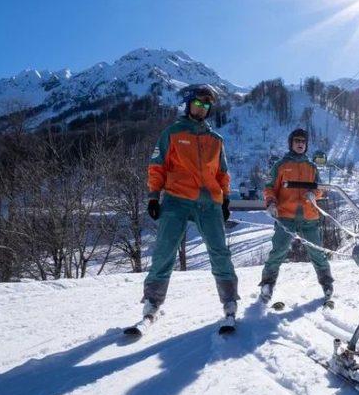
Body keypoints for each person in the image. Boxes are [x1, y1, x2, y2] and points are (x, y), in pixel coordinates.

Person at [140, 84, 239, 326]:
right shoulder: (172, 133)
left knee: (219, 251)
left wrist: (225, 199)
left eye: (206, 105)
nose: (202, 108)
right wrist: (154, 196)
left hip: (209, 202)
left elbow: (223, 172)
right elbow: (157, 166)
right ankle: (152, 302)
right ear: (188, 104)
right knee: (165, 250)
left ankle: (229, 301)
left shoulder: (216, 139)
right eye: (198, 103)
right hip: (177, 198)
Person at [258, 128, 334, 304]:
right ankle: (267, 284)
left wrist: (314, 194)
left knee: (317, 252)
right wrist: (271, 202)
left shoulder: (311, 166)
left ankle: (327, 283)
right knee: (278, 251)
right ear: (291, 143)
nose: (300, 144)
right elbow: (270, 187)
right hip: (286, 215)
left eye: (303, 141)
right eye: (297, 141)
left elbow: (320, 187)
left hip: (309, 216)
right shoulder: (281, 165)